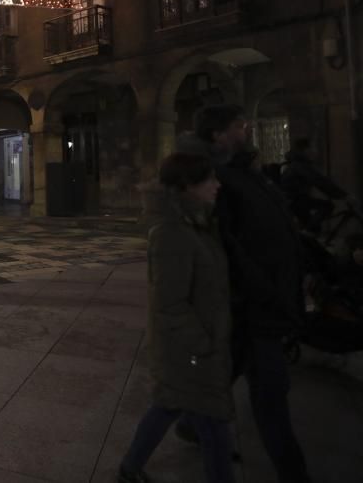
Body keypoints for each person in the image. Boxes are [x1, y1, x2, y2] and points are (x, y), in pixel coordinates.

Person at [179, 104, 310, 483]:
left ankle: (190, 421)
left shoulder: (244, 172)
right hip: (255, 305)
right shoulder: (216, 179)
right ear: (218, 135)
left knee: (231, 370)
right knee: (272, 396)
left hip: (264, 299)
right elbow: (225, 246)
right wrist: (263, 290)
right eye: (239, 125)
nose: (247, 128)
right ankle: (295, 473)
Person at [118, 152, 234, 483]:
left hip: (195, 345)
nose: (217, 185)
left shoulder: (198, 222)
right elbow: (170, 303)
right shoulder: (172, 232)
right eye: (209, 179)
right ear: (187, 185)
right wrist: (204, 342)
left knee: (170, 406)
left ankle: (130, 466)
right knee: (209, 421)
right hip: (190, 349)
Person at [281, 138, 349, 233]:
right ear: (305, 150)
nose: (315, 151)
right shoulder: (300, 165)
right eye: (313, 148)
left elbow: (320, 180)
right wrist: (344, 196)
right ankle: (306, 233)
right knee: (326, 207)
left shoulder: (296, 163)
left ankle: (306, 234)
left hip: (294, 200)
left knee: (315, 228)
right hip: (294, 200)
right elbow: (320, 182)